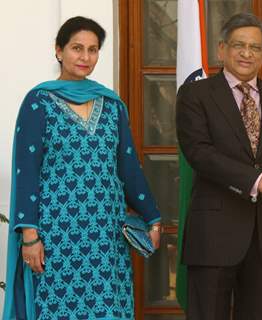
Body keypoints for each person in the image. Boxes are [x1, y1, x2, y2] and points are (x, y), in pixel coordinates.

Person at [3, 16, 161, 320]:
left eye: (92, 49)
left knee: (108, 309)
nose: (85, 57)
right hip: (57, 233)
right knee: (57, 309)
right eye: (77, 48)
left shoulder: (111, 105)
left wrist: (152, 217)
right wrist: (30, 236)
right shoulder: (39, 102)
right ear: (59, 50)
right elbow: (27, 173)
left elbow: (128, 168)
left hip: (106, 233)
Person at [176, 12, 262, 320]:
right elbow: (199, 153)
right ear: (221, 49)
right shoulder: (195, 94)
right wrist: (258, 180)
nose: (247, 53)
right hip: (213, 236)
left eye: (255, 47)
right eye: (239, 45)